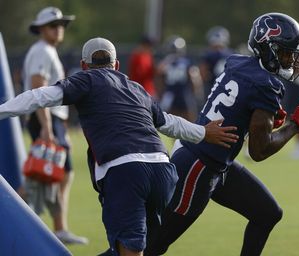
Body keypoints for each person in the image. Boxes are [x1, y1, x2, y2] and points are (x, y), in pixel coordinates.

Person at [0, 37, 239, 256]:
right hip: (163, 173)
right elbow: (168, 123)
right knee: (131, 248)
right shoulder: (136, 88)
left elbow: (39, 96)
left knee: (129, 250)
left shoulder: (85, 79)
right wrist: (204, 132)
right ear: (116, 66)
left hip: (125, 172)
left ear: (84, 65)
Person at [145, 13, 299, 256]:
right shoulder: (267, 85)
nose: (291, 60)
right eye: (287, 52)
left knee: (267, 213)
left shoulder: (237, 62)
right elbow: (259, 151)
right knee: (152, 245)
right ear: (269, 49)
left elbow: (235, 112)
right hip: (199, 165)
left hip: (209, 158)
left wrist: (259, 118)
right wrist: (294, 125)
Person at [22, 6, 88, 244]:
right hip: (46, 120)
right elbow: (38, 88)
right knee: (39, 176)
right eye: (53, 25)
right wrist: (48, 128)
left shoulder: (47, 50)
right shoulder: (42, 51)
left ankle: (59, 227)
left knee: (57, 173)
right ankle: (53, 226)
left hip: (52, 120)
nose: (59, 29)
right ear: (40, 29)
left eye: (61, 25)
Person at [157, 35, 199, 122]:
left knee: (165, 116)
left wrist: (160, 93)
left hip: (170, 92)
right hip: (183, 92)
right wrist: (196, 92)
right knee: (190, 115)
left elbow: (159, 76)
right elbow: (194, 78)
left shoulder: (165, 62)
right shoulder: (186, 62)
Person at [198, 26, 233, 107]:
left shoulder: (208, 55)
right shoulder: (232, 54)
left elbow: (203, 74)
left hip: (212, 88)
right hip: (229, 89)